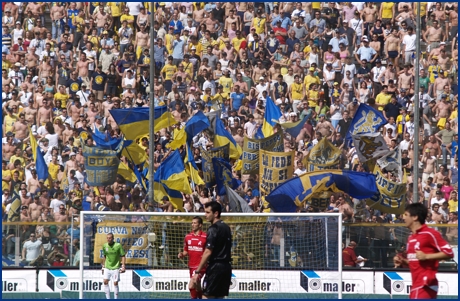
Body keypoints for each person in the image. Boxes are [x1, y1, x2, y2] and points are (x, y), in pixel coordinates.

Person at [397, 203, 454, 299]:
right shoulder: (411, 238)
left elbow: (449, 253)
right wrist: (404, 262)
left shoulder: (430, 233)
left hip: (426, 285)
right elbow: (415, 262)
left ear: (415, 217)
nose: (403, 218)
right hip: (416, 286)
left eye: (406, 215)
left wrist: (426, 256)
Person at [193, 202, 232, 299]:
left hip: (215, 267)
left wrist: (197, 272)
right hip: (226, 267)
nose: (205, 215)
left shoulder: (213, 228)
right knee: (220, 297)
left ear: (215, 213)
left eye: (207, 212)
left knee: (207, 296)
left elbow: (208, 252)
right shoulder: (226, 227)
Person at [178, 216, 207, 299]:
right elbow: (186, 250)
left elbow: (208, 251)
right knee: (197, 286)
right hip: (191, 265)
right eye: (192, 223)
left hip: (201, 265)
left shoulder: (205, 237)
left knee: (192, 284)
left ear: (200, 225)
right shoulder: (188, 237)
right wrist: (182, 254)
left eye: (195, 223)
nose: (193, 225)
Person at [101, 233, 126, 299]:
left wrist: (123, 266)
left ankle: (116, 298)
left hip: (115, 267)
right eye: (107, 238)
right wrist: (103, 266)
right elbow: (105, 256)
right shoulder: (104, 246)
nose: (108, 239)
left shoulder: (118, 246)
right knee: (105, 282)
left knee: (115, 283)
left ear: (113, 238)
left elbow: (123, 255)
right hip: (107, 267)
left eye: (110, 238)